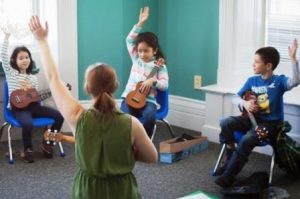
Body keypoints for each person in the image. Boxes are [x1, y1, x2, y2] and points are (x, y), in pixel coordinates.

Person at [29, 16, 158, 198]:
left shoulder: (77, 117)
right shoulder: (133, 123)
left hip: (88, 191)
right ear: (115, 86)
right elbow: (152, 157)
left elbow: (52, 78)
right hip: (122, 190)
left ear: (87, 88)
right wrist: (127, 153)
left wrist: (41, 40)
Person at [214, 39, 300, 188]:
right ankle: (230, 156)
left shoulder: (279, 82)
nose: (253, 64)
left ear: (268, 66)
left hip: (270, 125)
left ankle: (229, 175)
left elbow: (295, 81)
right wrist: (245, 103)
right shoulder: (252, 80)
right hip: (251, 120)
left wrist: (293, 59)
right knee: (225, 122)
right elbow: (236, 98)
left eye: (256, 62)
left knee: (247, 139)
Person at [1, 28, 64, 163]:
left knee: (59, 116)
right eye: (21, 58)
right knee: (28, 124)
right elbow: (3, 56)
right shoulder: (11, 74)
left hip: (34, 107)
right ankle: (27, 149)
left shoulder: (33, 78)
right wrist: (6, 38)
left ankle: (47, 143)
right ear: (14, 60)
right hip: (19, 109)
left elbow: (35, 97)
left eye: (27, 57)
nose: (24, 60)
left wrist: (52, 91)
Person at [120, 6, 169, 138]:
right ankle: (128, 140)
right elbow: (129, 40)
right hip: (129, 97)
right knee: (124, 117)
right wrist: (141, 22)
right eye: (140, 51)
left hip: (148, 101)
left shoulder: (160, 66)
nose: (142, 54)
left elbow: (165, 85)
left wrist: (153, 81)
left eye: (146, 51)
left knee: (149, 116)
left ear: (154, 50)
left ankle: (144, 140)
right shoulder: (136, 59)